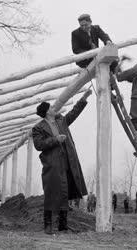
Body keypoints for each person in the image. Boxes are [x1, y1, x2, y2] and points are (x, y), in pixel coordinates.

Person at [32, 89, 92, 234]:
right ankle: (48, 225)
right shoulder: (38, 128)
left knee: (64, 193)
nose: (54, 108)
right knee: (51, 193)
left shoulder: (61, 121)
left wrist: (83, 98)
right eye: (51, 107)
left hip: (67, 162)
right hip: (52, 165)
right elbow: (38, 145)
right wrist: (55, 139)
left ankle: (62, 225)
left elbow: (74, 113)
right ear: (47, 112)